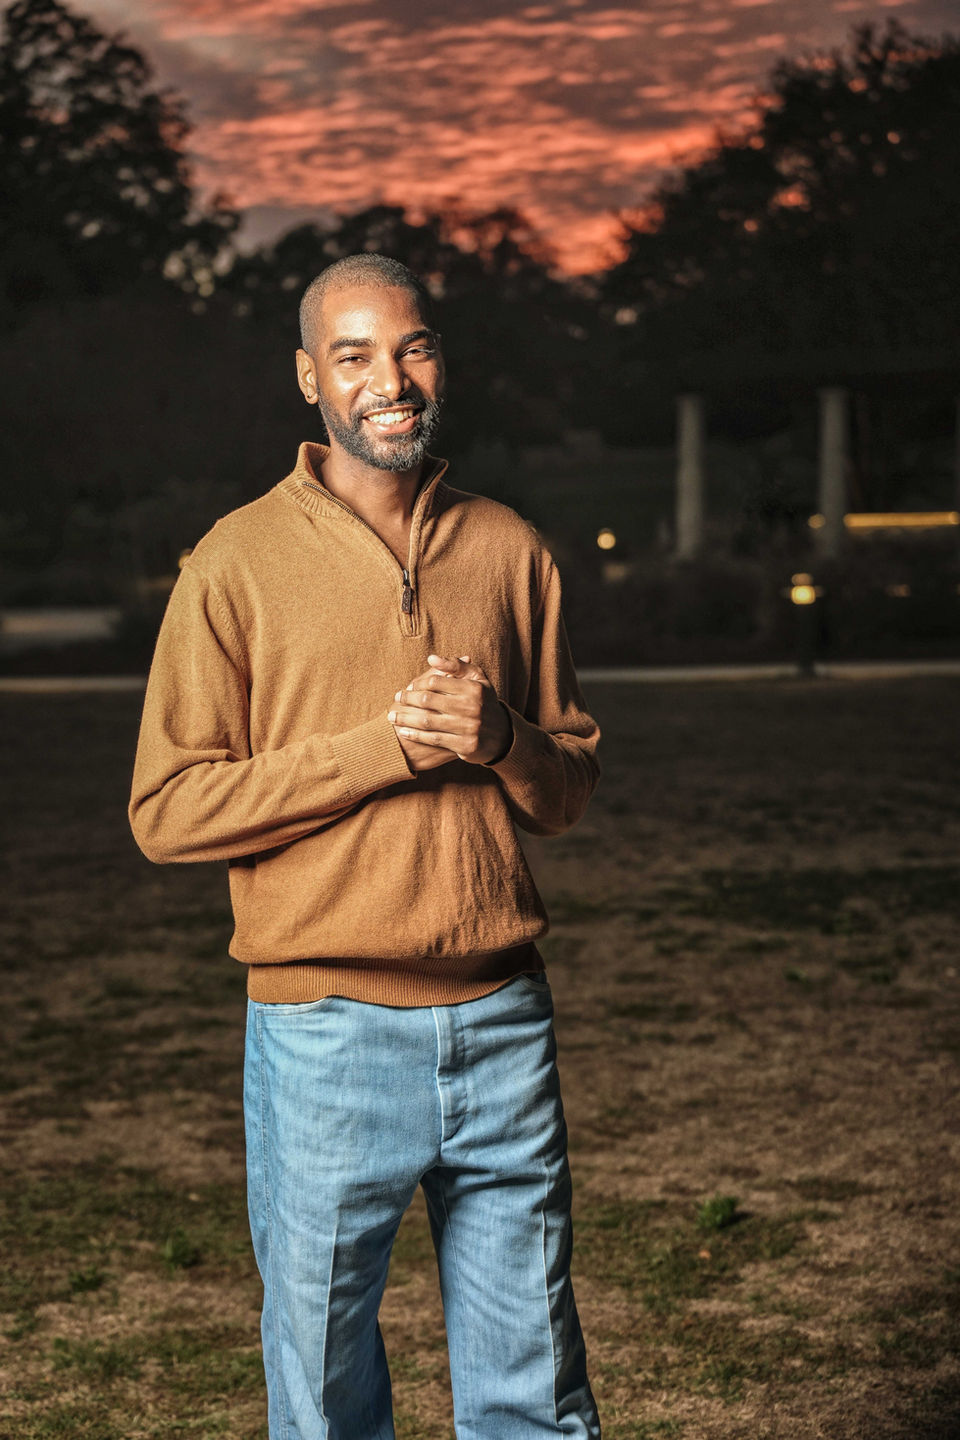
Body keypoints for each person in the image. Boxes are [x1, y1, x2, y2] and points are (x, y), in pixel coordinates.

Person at [129, 253, 603, 1439]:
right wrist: (380, 750)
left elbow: (565, 790)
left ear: (440, 360)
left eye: (412, 348)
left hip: (503, 1022)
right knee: (325, 1400)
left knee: (537, 1393)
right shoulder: (235, 561)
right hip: (325, 1036)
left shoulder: (510, 548)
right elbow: (168, 808)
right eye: (353, 356)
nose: (388, 381)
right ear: (309, 378)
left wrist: (502, 739)